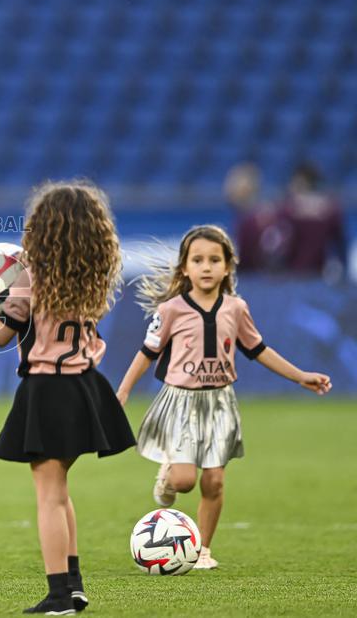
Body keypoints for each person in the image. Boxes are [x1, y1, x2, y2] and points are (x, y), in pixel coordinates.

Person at [0, 181, 135, 615]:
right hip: (86, 385)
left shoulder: (32, 278)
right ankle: (75, 585)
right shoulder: (93, 276)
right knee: (60, 491)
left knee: (49, 494)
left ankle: (59, 594)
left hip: (48, 388)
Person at [116, 224, 332, 571]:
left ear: (228, 266)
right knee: (185, 482)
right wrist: (123, 391)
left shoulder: (236, 308)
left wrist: (300, 376)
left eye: (214, 259)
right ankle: (168, 474)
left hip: (219, 403)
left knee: (214, 480)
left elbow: (259, 350)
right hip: (181, 402)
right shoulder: (171, 309)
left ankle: (201, 549)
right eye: (197, 260)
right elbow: (147, 353)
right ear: (184, 268)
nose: (206, 267)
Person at [277, 162, 347, 280]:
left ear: (302, 182)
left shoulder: (289, 209)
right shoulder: (331, 209)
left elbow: (280, 247)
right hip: (318, 275)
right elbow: (340, 248)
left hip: (292, 275)